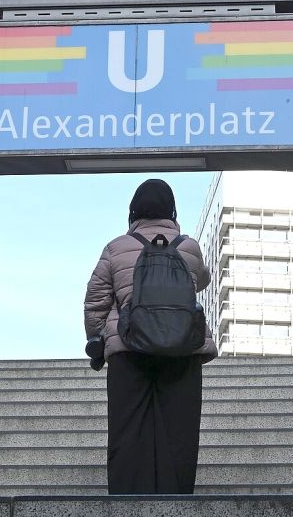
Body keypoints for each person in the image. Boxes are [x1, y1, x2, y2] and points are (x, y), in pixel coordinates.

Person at [83, 179, 217, 494]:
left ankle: (127, 500)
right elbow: (202, 280)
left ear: (133, 212)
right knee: (179, 431)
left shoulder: (116, 247)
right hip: (182, 347)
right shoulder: (189, 247)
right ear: (172, 210)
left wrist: (97, 341)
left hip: (129, 347)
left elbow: (96, 300)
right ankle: (175, 498)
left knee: (127, 430)